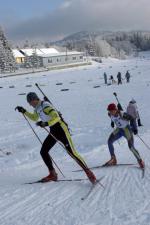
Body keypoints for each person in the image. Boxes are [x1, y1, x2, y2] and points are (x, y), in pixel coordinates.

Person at [16, 92, 96, 184]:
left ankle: (89, 172)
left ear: (34, 99)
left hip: (62, 130)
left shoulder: (45, 105)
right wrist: (23, 111)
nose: (29, 104)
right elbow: (34, 118)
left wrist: (46, 123)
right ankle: (53, 174)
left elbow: (57, 117)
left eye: (29, 102)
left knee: (72, 152)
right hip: (53, 131)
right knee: (43, 151)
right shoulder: (37, 108)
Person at [104, 103, 144, 168]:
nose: (110, 112)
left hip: (126, 130)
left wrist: (135, 128)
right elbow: (112, 118)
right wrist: (112, 122)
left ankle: (140, 160)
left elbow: (132, 119)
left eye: (111, 111)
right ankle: (113, 159)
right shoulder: (109, 114)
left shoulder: (122, 114)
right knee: (109, 141)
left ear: (115, 110)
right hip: (119, 130)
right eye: (109, 111)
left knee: (131, 147)